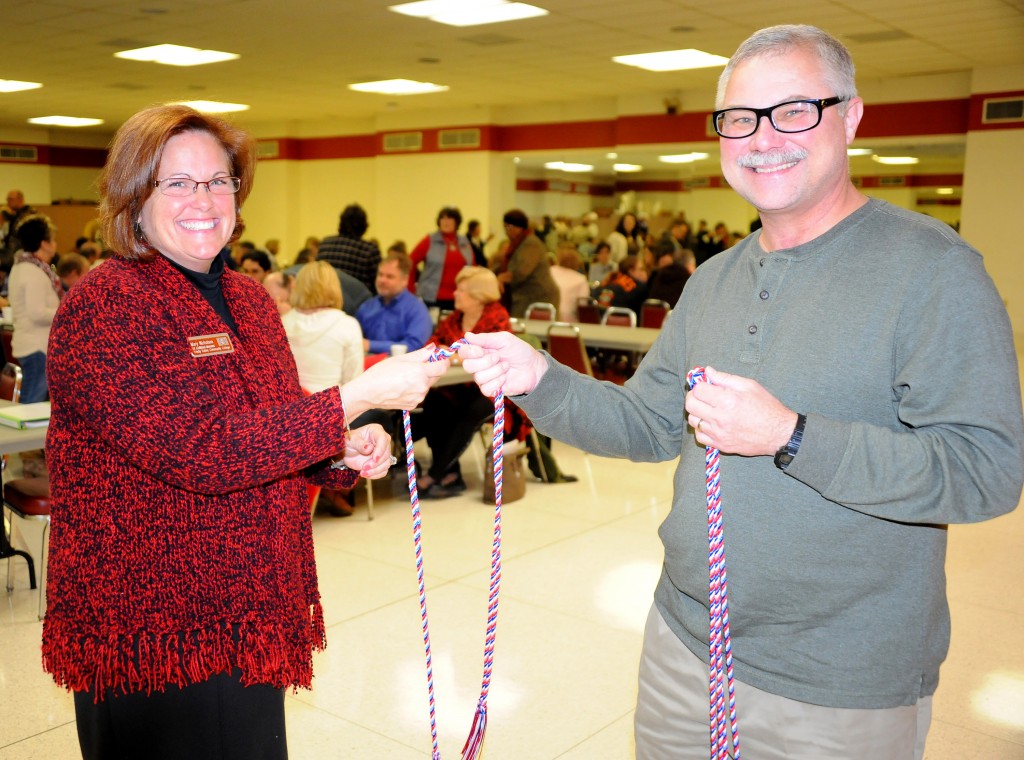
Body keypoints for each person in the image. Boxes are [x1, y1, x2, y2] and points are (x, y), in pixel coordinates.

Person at [456, 25, 1024, 760]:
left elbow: (985, 472)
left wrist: (792, 435)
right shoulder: (715, 279)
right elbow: (649, 425)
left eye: (794, 111)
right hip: (682, 645)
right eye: (740, 119)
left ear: (850, 117)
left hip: (836, 682)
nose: (763, 138)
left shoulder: (934, 272)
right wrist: (541, 378)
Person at [40, 104, 448, 760]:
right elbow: (201, 451)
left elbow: (267, 421)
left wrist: (338, 448)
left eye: (218, 181)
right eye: (176, 182)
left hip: (251, 604)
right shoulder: (106, 306)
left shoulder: (251, 301)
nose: (203, 199)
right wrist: (358, 395)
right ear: (133, 198)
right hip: (155, 624)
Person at [412, 267, 509, 499]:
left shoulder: (497, 316)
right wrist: (443, 350)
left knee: (467, 412)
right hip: (457, 385)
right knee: (435, 403)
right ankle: (452, 473)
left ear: (478, 296)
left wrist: (456, 354)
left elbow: (494, 356)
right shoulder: (455, 318)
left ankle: (435, 474)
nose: (455, 293)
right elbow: (433, 345)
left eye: (462, 290)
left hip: (491, 388)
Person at [283, 261, 363, 393]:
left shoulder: (282, 322)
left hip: (287, 407)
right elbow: (354, 383)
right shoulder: (347, 325)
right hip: (331, 408)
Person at [8, 214, 61, 402]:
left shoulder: (23, 267)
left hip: (32, 344)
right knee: (31, 402)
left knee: (32, 399)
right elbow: (36, 312)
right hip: (36, 347)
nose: (55, 244)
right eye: (53, 239)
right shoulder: (32, 271)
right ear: (44, 243)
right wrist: (64, 312)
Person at [355, 248, 433, 358]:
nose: (382, 280)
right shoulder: (367, 307)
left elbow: (413, 346)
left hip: (404, 369)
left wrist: (370, 345)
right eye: (380, 275)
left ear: (404, 280)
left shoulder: (417, 310)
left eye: (389, 276)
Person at [493, 208, 559, 319]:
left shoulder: (530, 244)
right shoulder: (519, 244)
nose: (506, 231)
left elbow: (521, 271)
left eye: (508, 227)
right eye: (505, 227)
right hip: (526, 296)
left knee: (523, 332)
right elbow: (507, 266)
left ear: (518, 227)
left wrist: (501, 278)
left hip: (537, 297)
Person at [408, 206, 475, 311]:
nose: (445, 221)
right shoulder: (430, 240)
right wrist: (410, 290)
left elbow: (472, 268)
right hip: (431, 298)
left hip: (459, 298)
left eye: (449, 218)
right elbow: (409, 263)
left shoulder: (464, 242)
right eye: (442, 218)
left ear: (457, 222)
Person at [317, 203, 382, 294]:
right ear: (364, 226)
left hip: (326, 300)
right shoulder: (369, 250)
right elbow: (378, 284)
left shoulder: (325, 244)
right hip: (359, 304)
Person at [549, 243, 590, 322]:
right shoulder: (581, 279)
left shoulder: (549, 271)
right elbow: (583, 304)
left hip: (547, 316)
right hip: (568, 321)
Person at [1, 189, 36, 275]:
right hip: (14, 256)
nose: (8, 202)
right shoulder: (16, 216)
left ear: (20, 199)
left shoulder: (28, 216)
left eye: (10, 199)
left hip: (22, 256)